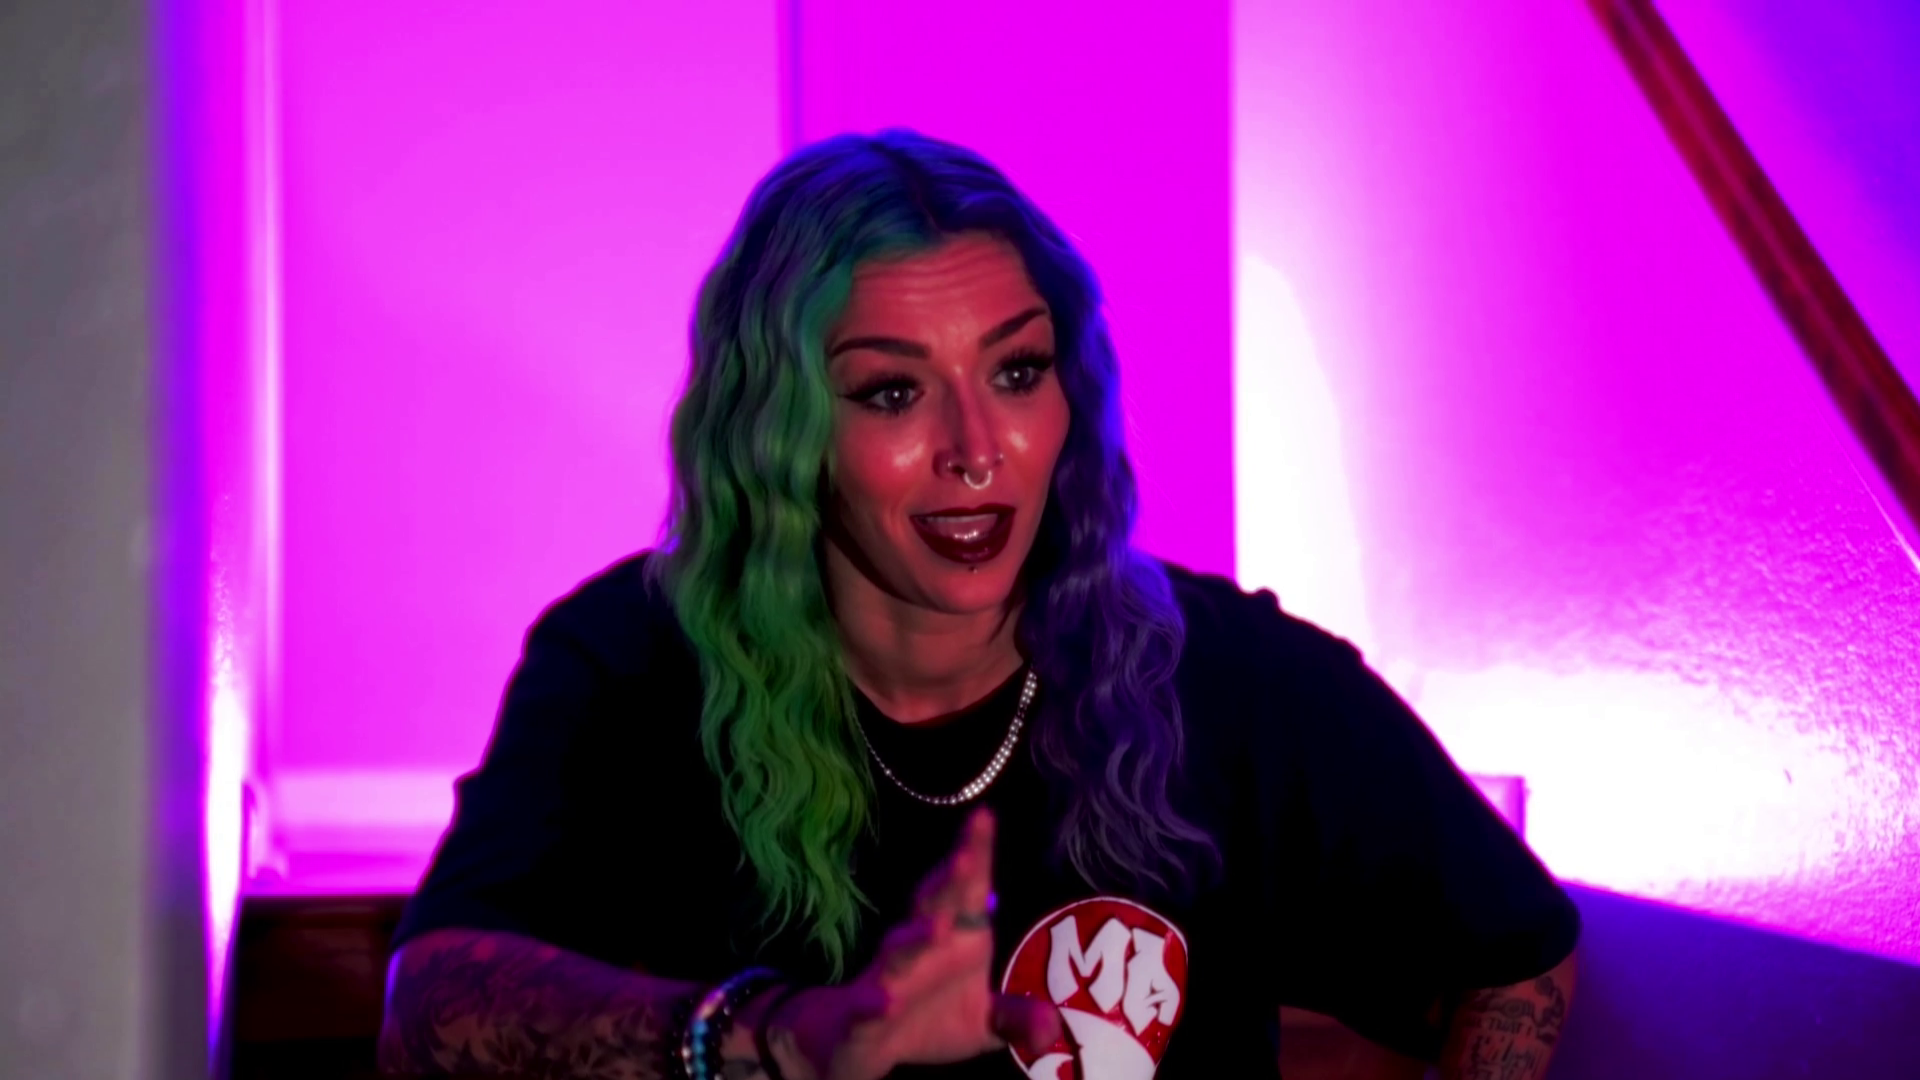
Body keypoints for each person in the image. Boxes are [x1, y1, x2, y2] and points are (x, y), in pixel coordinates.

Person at [377, 130, 1580, 1080]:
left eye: (1015, 371)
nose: (976, 448)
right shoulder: (634, 660)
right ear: (781, 430)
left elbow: (1517, 955)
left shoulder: (1234, 676)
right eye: (892, 393)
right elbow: (427, 1009)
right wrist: (783, 1037)